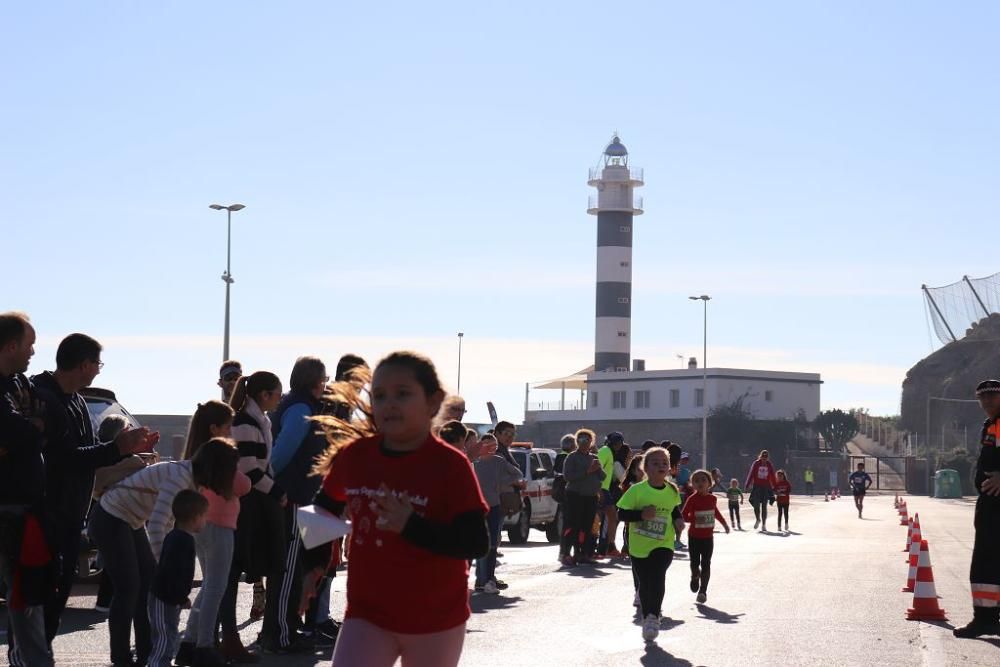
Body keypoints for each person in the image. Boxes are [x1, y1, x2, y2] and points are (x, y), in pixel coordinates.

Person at [300, 351, 489, 667]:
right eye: (380, 395)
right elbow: (323, 510)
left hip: (436, 618)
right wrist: (311, 569)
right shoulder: (355, 456)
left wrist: (410, 525)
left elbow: (475, 542)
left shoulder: (450, 465)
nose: (389, 404)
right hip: (367, 614)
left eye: (402, 394)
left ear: (433, 401)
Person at [31, 333, 157, 643]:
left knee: (56, 598)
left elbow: (87, 454)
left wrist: (125, 450)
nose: (99, 370)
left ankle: (40, 653)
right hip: (48, 515)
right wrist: (117, 448)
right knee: (39, 599)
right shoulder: (44, 398)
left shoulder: (75, 400)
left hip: (73, 514)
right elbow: (65, 459)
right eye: (97, 364)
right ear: (84, 364)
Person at [89, 439, 239, 667]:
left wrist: (161, 565)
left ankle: (148, 654)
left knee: (147, 585)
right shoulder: (180, 478)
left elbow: (166, 522)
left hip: (131, 520)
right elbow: (158, 525)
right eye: (230, 470)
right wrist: (164, 565)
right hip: (111, 516)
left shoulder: (190, 479)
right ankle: (121, 658)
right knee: (129, 587)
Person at [176, 401, 253, 667]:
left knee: (208, 585)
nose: (232, 431)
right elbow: (244, 484)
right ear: (216, 428)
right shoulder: (222, 455)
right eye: (229, 426)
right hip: (222, 528)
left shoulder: (199, 456)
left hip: (201, 524)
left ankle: (189, 642)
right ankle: (204, 645)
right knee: (215, 588)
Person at [229, 370, 297, 655]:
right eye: (277, 394)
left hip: (257, 499)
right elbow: (249, 468)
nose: (280, 400)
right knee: (243, 566)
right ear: (264, 395)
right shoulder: (246, 422)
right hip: (252, 503)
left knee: (265, 563)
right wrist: (278, 492)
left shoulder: (260, 420)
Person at [0, 312, 54, 667]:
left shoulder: (21, 384)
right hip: (9, 509)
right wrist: (29, 427)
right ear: (11, 345)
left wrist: (31, 426)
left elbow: (47, 421)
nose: (33, 352)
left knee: (27, 594)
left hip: (25, 509)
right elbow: (14, 432)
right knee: (24, 597)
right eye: (29, 344)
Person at [616, 447, 685, 641]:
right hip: (639, 546)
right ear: (645, 468)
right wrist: (640, 515)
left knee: (657, 576)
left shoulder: (672, 489)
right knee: (645, 583)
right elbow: (621, 513)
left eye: (665, 463)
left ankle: (654, 616)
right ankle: (647, 616)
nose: (661, 466)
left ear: (669, 467)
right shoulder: (637, 491)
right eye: (655, 463)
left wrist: (678, 520)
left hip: (663, 543)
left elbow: (674, 510)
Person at [953, 379, 1000, 638]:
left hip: (996, 505)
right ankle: (989, 618)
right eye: (983, 397)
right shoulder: (991, 425)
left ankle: (985, 619)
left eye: (992, 396)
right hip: (990, 502)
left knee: (984, 563)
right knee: (990, 562)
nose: (987, 402)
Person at [148, 490, 209, 667]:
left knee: (170, 633)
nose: (205, 521)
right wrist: (180, 597)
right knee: (164, 635)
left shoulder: (177, 537)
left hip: (169, 597)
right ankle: (157, 663)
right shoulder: (182, 541)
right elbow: (173, 572)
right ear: (195, 517)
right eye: (204, 516)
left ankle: (162, 662)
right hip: (164, 597)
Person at [473, 433, 524, 594]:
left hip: (494, 507)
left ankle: (488, 580)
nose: (491, 447)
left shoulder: (499, 461)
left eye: (493, 444)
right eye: (487, 444)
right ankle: (481, 580)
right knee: (480, 544)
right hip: (476, 507)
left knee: (493, 544)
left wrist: (504, 483)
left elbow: (517, 474)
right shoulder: (474, 462)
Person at [681, 469, 729, 603]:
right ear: (692, 485)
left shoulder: (713, 498)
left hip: (708, 538)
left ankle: (703, 591)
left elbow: (716, 512)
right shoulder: (692, 499)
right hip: (694, 537)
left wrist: (724, 524)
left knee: (706, 563)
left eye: (703, 480)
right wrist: (694, 520)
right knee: (695, 563)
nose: (700, 483)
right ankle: (694, 576)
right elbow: (684, 516)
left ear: (709, 483)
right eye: (696, 481)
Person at [559, 429, 605, 567]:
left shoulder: (593, 458)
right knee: (572, 525)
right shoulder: (572, 457)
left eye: (587, 440)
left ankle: (582, 553)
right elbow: (568, 477)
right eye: (581, 439)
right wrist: (587, 471)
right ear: (576, 441)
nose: (584, 442)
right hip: (575, 496)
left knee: (586, 526)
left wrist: (597, 468)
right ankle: (566, 553)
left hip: (590, 497)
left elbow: (603, 477)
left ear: (592, 442)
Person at [597, 432, 627, 557]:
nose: (618, 445)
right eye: (616, 442)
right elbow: (597, 467)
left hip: (605, 488)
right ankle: (605, 547)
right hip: (601, 489)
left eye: (620, 442)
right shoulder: (605, 451)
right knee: (608, 518)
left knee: (610, 517)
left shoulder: (610, 452)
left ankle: (609, 546)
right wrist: (598, 489)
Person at [744, 450, 777, 532]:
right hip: (757, 487)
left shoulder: (769, 465)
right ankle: (758, 519)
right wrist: (747, 485)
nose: (764, 459)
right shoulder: (756, 463)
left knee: (764, 506)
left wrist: (775, 487)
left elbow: (772, 476)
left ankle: (764, 524)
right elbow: (751, 474)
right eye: (763, 457)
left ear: (767, 457)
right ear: (760, 456)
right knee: (756, 505)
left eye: (766, 457)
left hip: (766, 487)